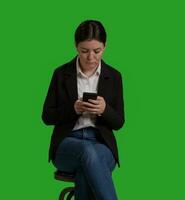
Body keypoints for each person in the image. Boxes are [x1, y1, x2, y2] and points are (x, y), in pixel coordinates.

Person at [42, 20, 124, 200]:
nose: (91, 57)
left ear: (105, 46)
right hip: (67, 143)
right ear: (76, 47)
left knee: (87, 166)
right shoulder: (61, 74)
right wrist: (73, 108)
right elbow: (47, 116)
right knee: (87, 152)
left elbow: (119, 122)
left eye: (97, 51)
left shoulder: (114, 76)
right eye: (84, 51)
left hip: (102, 144)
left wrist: (105, 109)